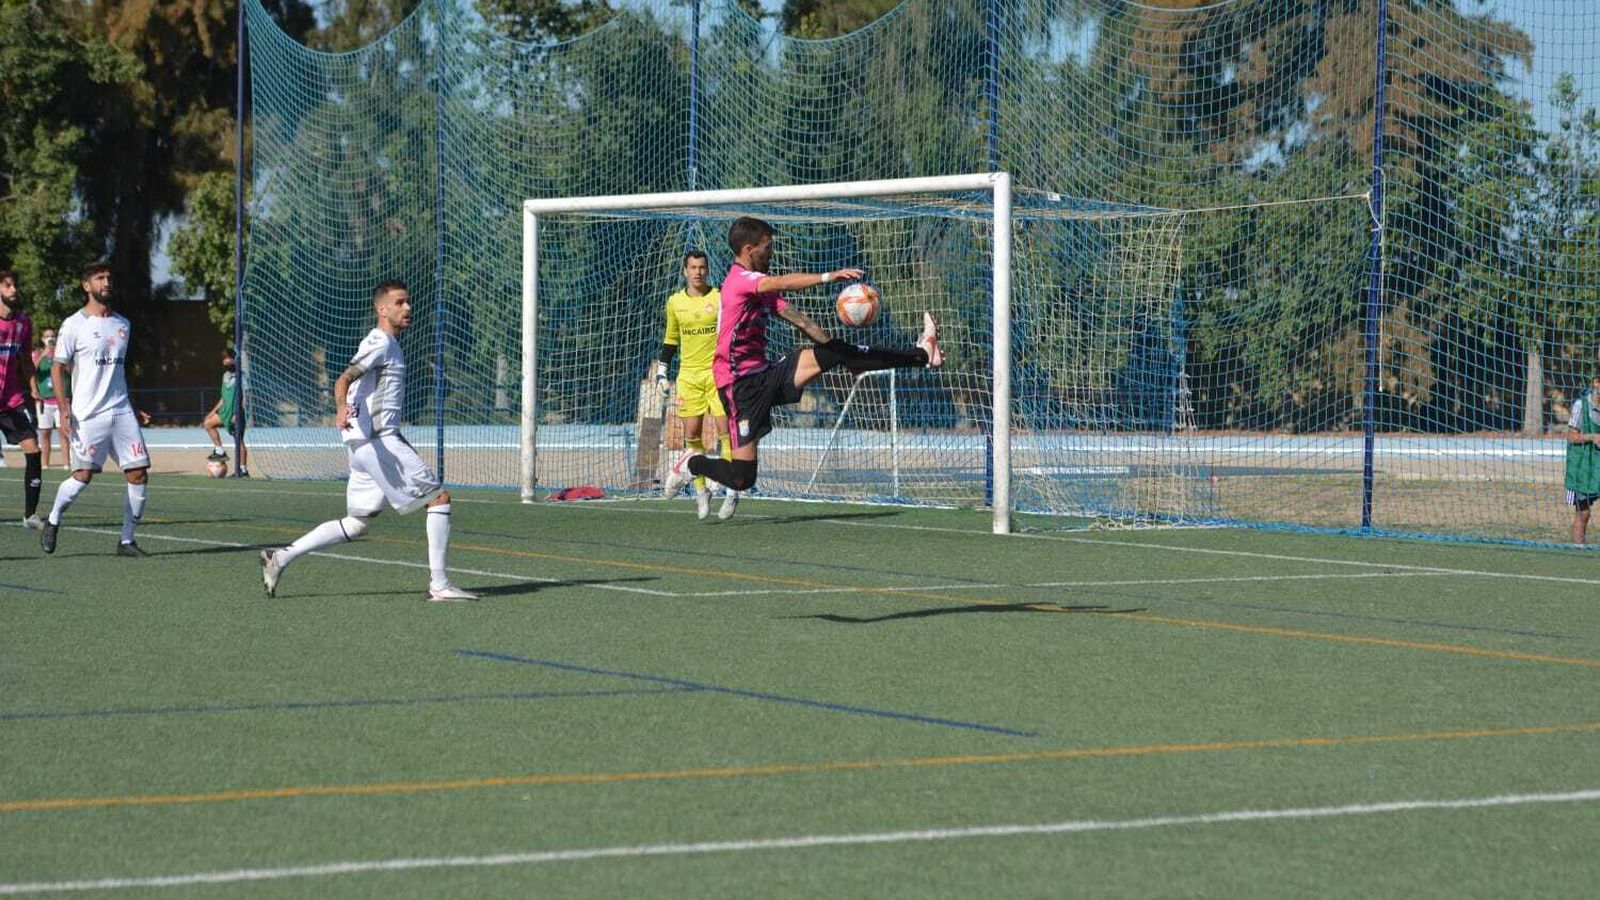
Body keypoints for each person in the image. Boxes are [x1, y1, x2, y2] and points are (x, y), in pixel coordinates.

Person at [662, 216, 941, 498]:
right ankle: (692, 463)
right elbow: (779, 282)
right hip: (739, 387)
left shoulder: (761, 288)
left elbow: (803, 323)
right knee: (742, 478)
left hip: (768, 374)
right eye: (767, 247)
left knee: (838, 352)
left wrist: (841, 355)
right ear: (748, 250)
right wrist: (828, 276)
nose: (771, 252)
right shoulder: (740, 281)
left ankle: (922, 354)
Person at [259, 280, 477, 601]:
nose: (408, 308)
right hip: (378, 440)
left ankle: (279, 557)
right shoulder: (382, 343)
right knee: (438, 499)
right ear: (382, 309)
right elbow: (344, 378)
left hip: (362, 445)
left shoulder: (384, 343)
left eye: (408, 301)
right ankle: (440, 585)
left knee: (357, 523)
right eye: (400, 302)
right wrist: (340, 406)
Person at [41, 263, 155, 554]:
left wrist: (134, 404)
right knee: (82, 477)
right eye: (99, 278)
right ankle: (53, 520)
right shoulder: (73, 324)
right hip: (87, 414)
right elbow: (57, 368)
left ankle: (126, 540)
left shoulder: (123, 324)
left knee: (139, 473)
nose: (106, 282)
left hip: (120, 410)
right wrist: (64, 409)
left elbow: (118, 371)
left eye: (109, 278)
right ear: (86, 285)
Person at [654, 250, 738, 520]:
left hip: (717, 374)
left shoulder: (720, 297)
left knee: (725, 431)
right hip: (689, 377)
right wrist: (662, 371)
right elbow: (670, 338)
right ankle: (702, 492)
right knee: (693, 435)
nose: (698, 272)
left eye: (702, 267)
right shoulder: (675, 302)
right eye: (693, 267)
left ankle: (731, 491)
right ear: (685, 271)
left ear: (707, 270)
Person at [0, 269, 46, 527]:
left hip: (11, 401)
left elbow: (26, 361)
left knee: (34, 450)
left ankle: (30, 515)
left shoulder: (23, 323)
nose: (13, 290)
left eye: (14, 285)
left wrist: (34, 387)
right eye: (7, 286)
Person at [202, 347, 249, 476]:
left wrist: (237, 413)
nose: (225, 361)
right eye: (223, 359)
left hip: (236, 413)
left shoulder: (242, 375)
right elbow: (223, 398)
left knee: (239, 441)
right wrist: (212, 412)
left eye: (227, 358)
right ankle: (220, 450)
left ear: (234, 359)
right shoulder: (225, 376)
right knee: (207, 424)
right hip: (224, 412)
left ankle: (243, 470)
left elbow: (246, 396)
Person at [1565, 374, 1600, 544]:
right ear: (1596, 383)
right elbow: (1571, 437)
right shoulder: (1581, 405)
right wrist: (1593, 437)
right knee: (1583, 512)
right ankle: (1578, 549)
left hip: (1598, 465)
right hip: (1583, 466)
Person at [32, 325, 67, 471]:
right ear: (42, 339)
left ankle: (67, 463)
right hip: (43, 401)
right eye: (47, 337)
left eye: (52, 336)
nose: (50, 339)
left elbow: (70, 369)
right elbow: (31, 370)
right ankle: (45, 464)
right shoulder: (37, 354)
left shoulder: (61, 353)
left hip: (60, 400)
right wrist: (44, 354)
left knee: (63, 432)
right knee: (45, 433)